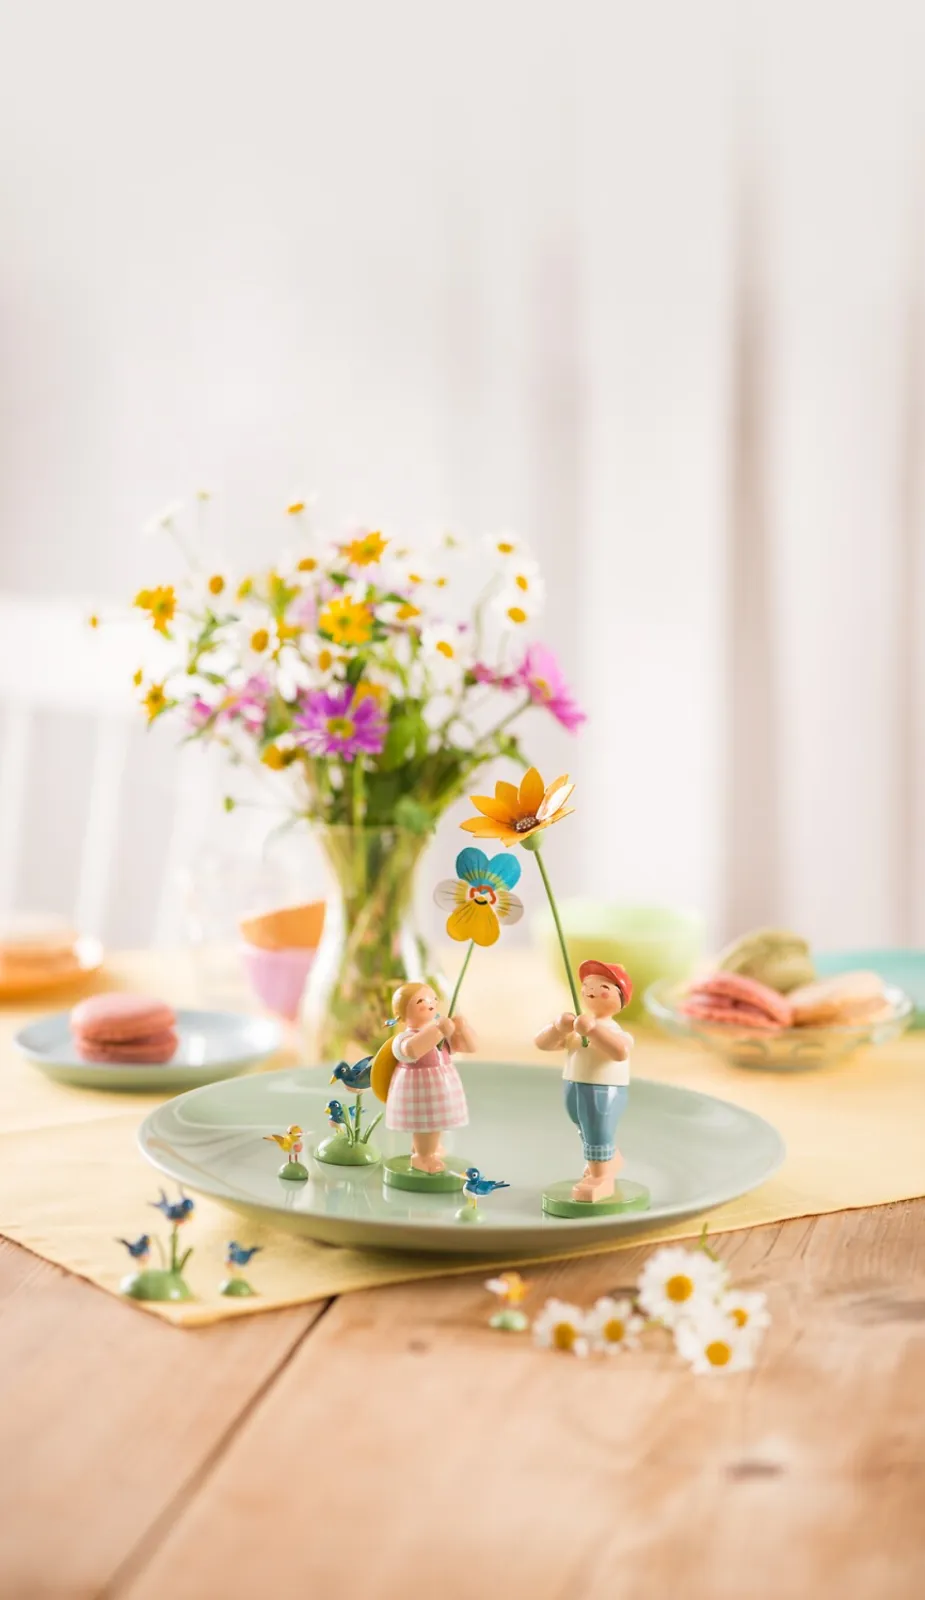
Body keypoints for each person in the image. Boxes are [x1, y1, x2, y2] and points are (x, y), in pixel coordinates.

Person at [535, 959, 633, 1203]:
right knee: (584, 1126)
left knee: (597, 1129)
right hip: (574, 1084)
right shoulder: (579, 1026)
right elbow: (542, 1044)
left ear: (620, 997)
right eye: (587, 984)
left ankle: (602, 1179)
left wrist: (592, 1031)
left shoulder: (615, 1030)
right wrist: (558, 1028)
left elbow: (620, 1051)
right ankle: (610, 1160)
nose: (591, 989)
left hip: (604, 1089)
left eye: (603, 987)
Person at [370, 982, 477, 1174]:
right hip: (417, 1086)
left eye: (433, 999)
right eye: (421, 1000)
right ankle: (422, 1156)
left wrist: (462, 1029)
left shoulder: (440, 1032)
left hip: (440, 1083)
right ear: (403, 1012)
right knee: (424, 1124)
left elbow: (470, 1047)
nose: (430, 1003)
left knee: (435, 1122)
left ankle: (431, 1149)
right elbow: (413, 1050)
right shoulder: (403, 1039)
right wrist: (438, 1030)